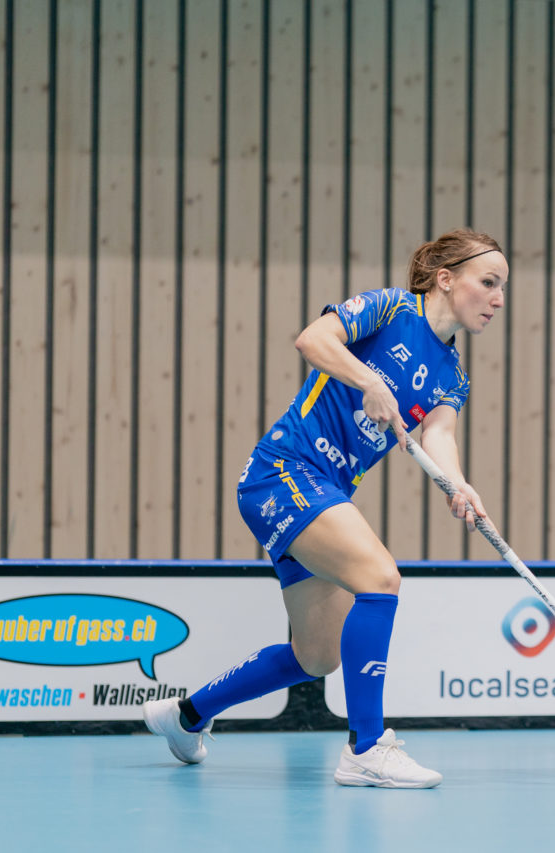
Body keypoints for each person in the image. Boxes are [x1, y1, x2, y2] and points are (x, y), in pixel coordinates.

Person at [143, 228, 508, 789]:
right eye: (489, 282)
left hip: (326, 491)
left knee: (317, 656)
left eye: (502, 287)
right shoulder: (391, 309)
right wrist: (368, 381)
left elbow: (438, 433)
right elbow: (313, 340)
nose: (498, 299)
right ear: (446, 279)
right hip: (283, 472)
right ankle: (367, 748)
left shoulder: (452, 374)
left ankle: (185, 715)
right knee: (381, 577)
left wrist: (459, 484)